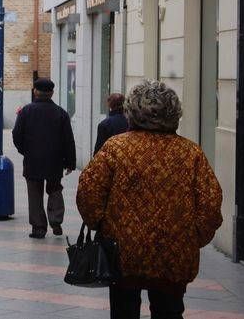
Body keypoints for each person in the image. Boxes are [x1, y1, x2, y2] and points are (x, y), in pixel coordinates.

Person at [77, 80, 223, 319]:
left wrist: (102, 225)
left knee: (124, 311)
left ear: (131, 113)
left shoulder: (116, 148)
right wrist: (193, 238)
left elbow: (89, 192)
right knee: (169, 312)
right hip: (174, 253)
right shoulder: (190, 153)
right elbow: (210, 204)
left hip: (122, 252)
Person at [12, 78, 76, 239]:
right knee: (55, 189)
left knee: (34, 193)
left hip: (32, 160)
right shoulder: (61, 113)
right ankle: (56, 221)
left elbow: (16, 135)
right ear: (52, 93)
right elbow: (68, 139)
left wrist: (25, 151)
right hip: (55, 160)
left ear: (35, 91)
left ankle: (39, 228)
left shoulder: (26, 111)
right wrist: (70, 162)